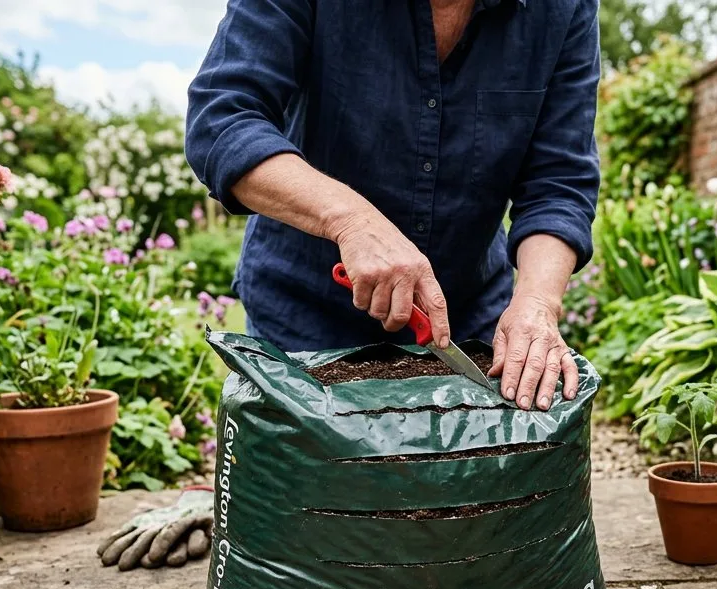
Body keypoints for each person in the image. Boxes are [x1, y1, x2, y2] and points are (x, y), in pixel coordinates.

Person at [185, 0, 601, 411]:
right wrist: (351, 221)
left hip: (465, 325)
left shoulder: (564, 9)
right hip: (304, 319)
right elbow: (222, 119)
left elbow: (558, 181)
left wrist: (537, 302)